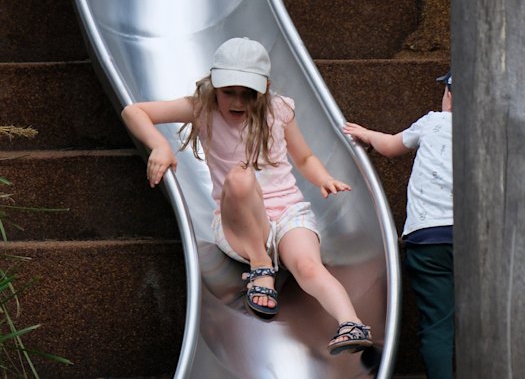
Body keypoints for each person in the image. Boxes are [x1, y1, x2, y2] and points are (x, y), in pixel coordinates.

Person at [121, 36, 373, 357]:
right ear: (214, 86)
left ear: (265, 88)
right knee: (240, 177)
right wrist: (159, 145)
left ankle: (351, 323)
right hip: (238, 222)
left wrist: (323, 178)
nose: (238, 102)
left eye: (248, 94)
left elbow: (305, 158)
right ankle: (260, 264)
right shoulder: (202, 108)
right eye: (229, 92)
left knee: (309, 266)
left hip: (288, 214)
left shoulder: (279, 110)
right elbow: (134, 112)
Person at [343, 70, 454, 379]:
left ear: (449, 94)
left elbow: (391, 146)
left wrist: (365, 134)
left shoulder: (433, 122)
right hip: (475, 239)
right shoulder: (490, 130)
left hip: (429, 238)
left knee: (437, 324)